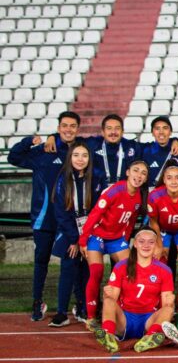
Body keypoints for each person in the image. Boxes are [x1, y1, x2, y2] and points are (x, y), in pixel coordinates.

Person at [9, 110, 81, 321]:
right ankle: (37, 301)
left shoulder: (80, 152)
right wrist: (29, 141)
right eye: (64, 126)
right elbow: (14, 157)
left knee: (72, 260)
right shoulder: (43, 151)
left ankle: (79, 303)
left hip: (67, 220)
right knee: (41, 260)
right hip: (44, 219)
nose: (68, 129)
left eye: (73, 126)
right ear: (58, 128)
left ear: (77, 130)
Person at [79, 160, 149, 330]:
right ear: (127, 172)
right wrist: (83, 240)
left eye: (143, 173)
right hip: (97, 236)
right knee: (96, 271)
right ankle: (90, 316)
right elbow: (95, 214)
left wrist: (125, 238)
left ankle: (124, 310)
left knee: (130, 270)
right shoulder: (115, 190)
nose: (138, 175)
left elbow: (131, 220)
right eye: (136, 170)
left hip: (116, 239)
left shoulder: (139, 197)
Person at [49, 140, 106, 328]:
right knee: (68, 269)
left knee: (88, 272)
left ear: (90, 158)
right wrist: (75, 239)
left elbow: (100, 208)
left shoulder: (96, 177)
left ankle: (83, 309)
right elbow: (61, 213)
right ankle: (61, 313)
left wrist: (87, 236)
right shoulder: (62, 179)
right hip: (69, 232)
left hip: (90, 230)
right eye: (76, 155)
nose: (80, 159)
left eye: (84, 155)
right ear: (69, 157)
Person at [92, 228, 175, 354]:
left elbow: (165, 304)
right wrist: (107, 294)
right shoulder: (121, 266)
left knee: (169, 309)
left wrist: (170, 303)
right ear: (135, 244)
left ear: (156, 244)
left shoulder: (164, 270)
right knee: (108, 301)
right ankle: (108, 335)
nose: (146, 245)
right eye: (142, 241)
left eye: (151, 242)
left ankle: (150, 337)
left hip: (148, 320)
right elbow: (112, 298)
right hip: (124, 319)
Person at [85, 114, 141, 186]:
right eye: (109, 128)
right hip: (98, 194)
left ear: (122, 131)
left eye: (117, 128)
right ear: (102, 132)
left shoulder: (132, 146)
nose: (113, 132)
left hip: (123, 193)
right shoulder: (92, 145)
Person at [140, 116, 178, 192]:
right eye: (157, 128)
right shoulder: (145, 150)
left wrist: (175, 140)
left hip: (174, 195)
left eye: (165, 128)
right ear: (152, 133)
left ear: (170, 132)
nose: (161, 132)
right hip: (152, 196)